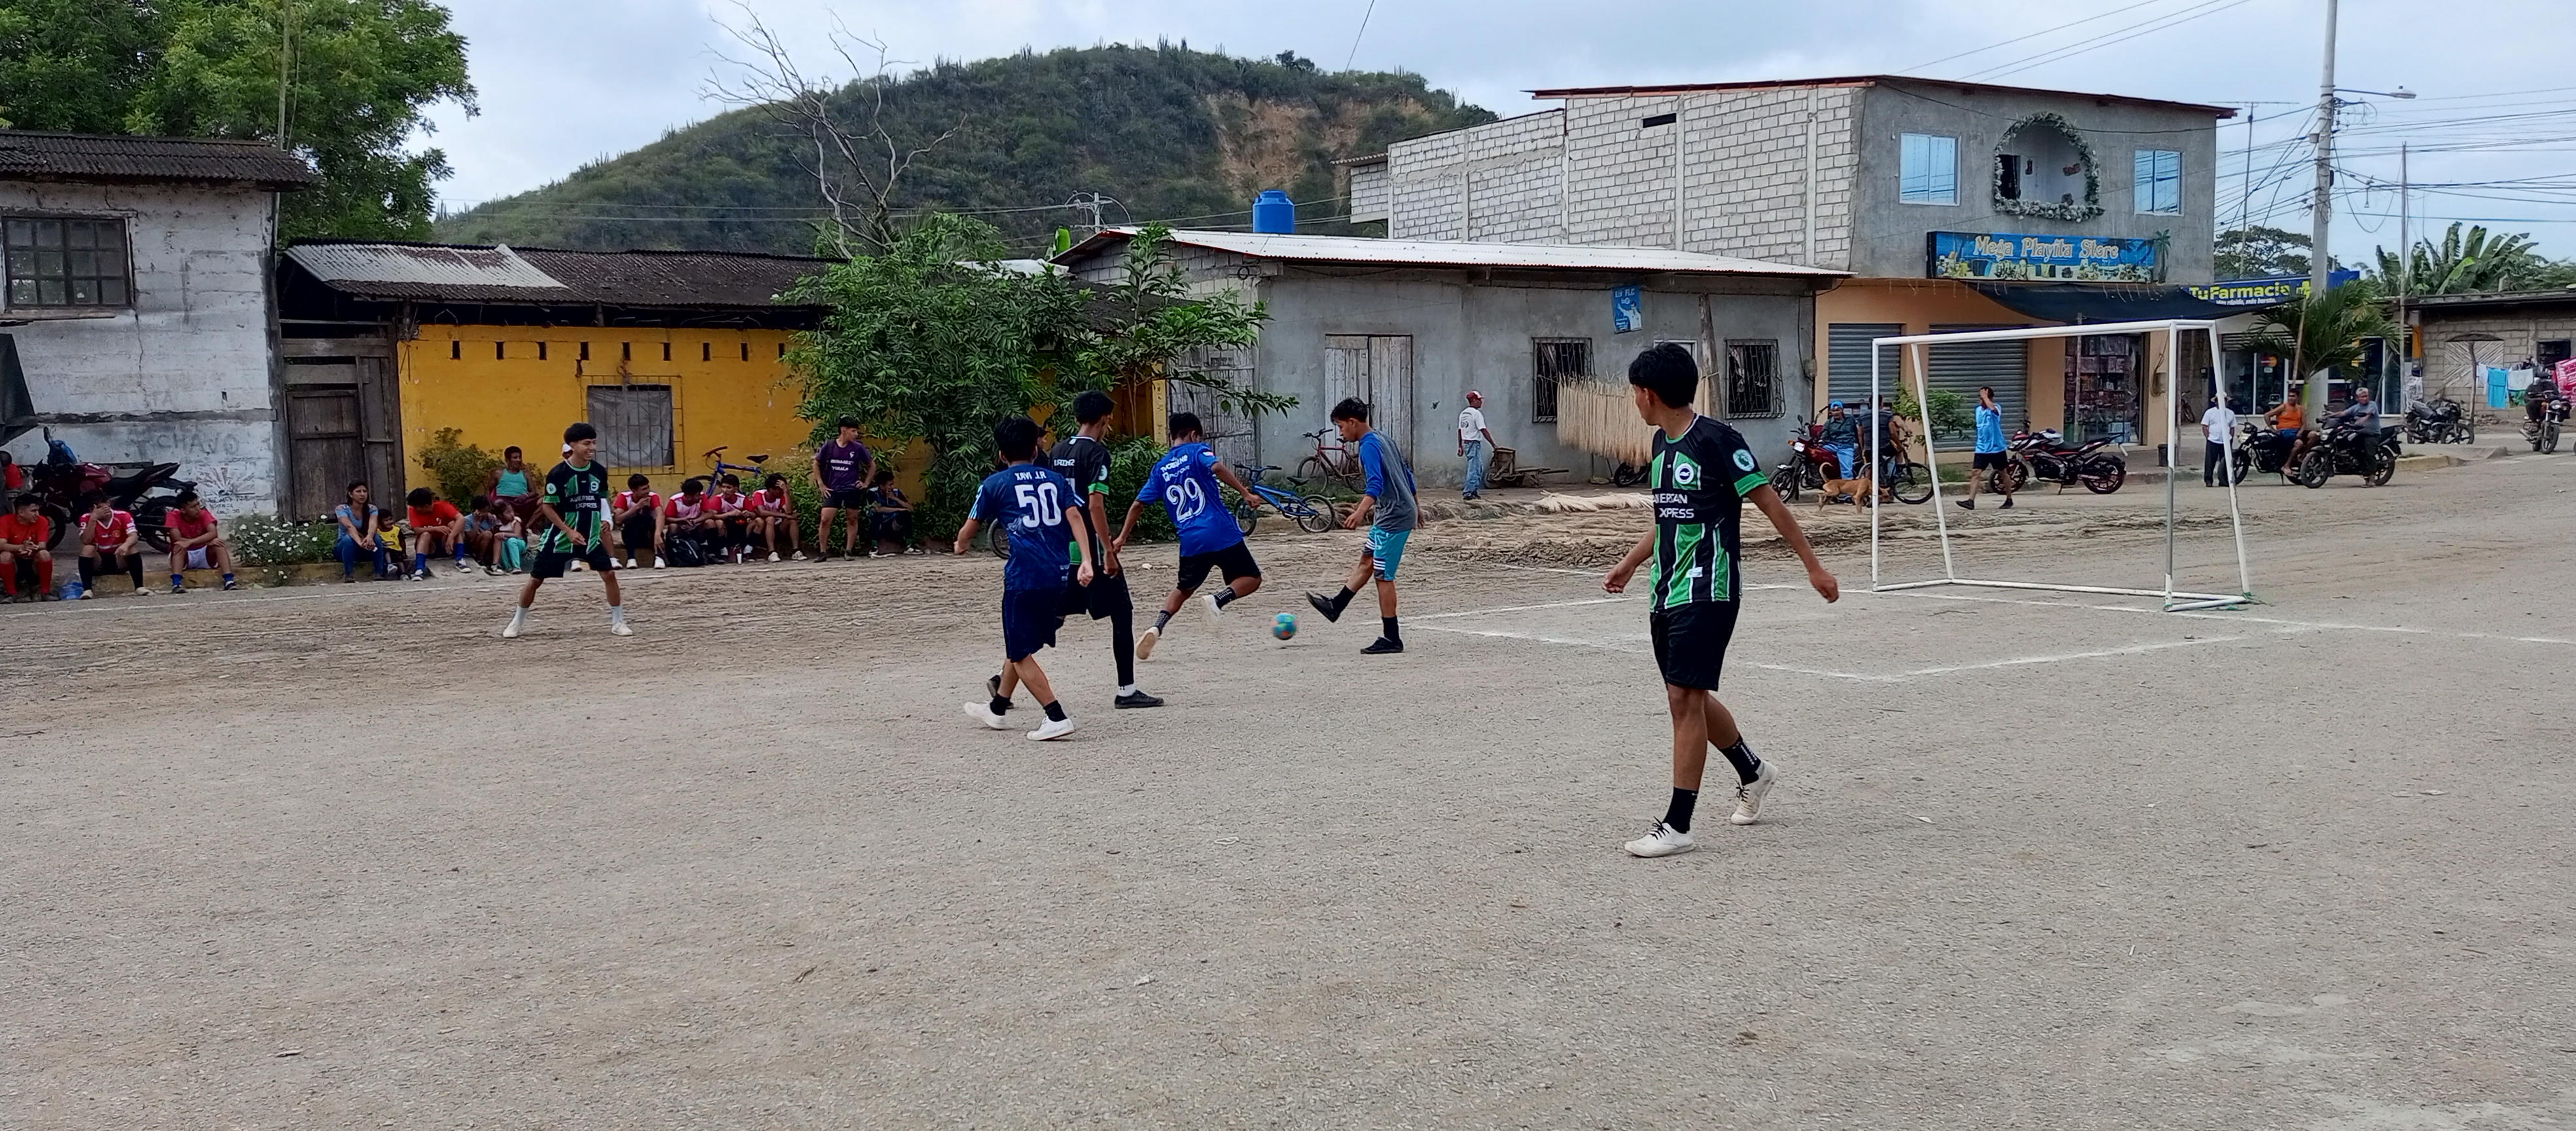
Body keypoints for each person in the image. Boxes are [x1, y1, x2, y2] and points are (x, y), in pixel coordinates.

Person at [1604, 342, 1839, 859]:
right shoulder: (1661, 445)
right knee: (1687, 695)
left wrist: (1814, 566)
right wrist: (1630, 562)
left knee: (1684, 699)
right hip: (1666, 588)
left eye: (1634, 393)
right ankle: (1754, 772)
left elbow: (1770, 503)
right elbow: (1669, 517)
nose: (1634, 401)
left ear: (1648, 393)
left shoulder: (1717, 439)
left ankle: (1677, 824)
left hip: (1709, 587)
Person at [954, 415, 1093, 742]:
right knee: (1020, 642)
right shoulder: (1056, 480)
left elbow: (970, 528)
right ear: (1035, 450)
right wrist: (1086, 560)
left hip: (1024, 577)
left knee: (1019, 652)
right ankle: (998, 708)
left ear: (1001, 454)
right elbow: (1076, 516)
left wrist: (960, 544)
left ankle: (1056, 716)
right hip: (1059, 574)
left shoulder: (994, 484)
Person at [1117, 411, 1268, 660]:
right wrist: (1245, 493)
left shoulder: (1161, 468)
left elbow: (1138, 504)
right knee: (1252, 578)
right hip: (1221, 532)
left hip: (1190, 540)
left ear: (1171, 436)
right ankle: (1218, 599)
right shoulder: (1198, 451)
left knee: (1182, 589)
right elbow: (1216, 467)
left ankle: (1157, 627)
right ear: (1194, 434)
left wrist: (1122, 537)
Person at [1044, 391, 1159, 708]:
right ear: (1104, 420)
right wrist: (1108, 551)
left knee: (1053, 616)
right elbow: (1095, 505)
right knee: (1122, 613)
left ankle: (1005, 679)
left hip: (1064, 547)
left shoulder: (1058, 450)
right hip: (1091, 550)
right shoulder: (1097, 454)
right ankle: (1126, 691)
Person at [1302, 397, 1417, 655]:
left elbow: (1375, 483)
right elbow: (1407, 473)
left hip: (1394, 516)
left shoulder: (1368, 446)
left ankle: (1392, 638)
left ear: (1353, 422)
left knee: (1383, 576)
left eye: (1341, 426)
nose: (1341, 433)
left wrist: (1359, 512)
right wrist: (1416, 505)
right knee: (1367, 561)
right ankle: (1336, 606)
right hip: (1391, 513)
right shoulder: (1383, 438)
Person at [503, 422, 629, 639]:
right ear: (572, 445)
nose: (592, 448)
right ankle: (517, 622)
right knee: (536, 579)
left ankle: (618, 622)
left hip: (590, 537)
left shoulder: (598, 471)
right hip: (561, 537)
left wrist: (606, 519)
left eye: (594, 443)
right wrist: (568, 531)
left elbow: (601, 499)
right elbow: (547, 507)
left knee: (609, 574)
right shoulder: (559, 473)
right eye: (587, 443)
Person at [813, 416, 875, 560]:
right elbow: (816, 464)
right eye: (853, 431)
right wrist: (821, 484)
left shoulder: (858, 447)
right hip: (832, 489)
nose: (856, 434)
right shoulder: (829, 446)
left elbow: (872, 465)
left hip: (851, 489)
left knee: (852, 519)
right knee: (825, 519)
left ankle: (848, 551)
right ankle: (823, 552)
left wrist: (866, 483)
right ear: (844, 430)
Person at [76, 493, 148, 597]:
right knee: (87, 549)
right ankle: (87, 590)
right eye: (94, 509)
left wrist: (125, 545)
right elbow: (86, 540)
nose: (98, 512)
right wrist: (93, 519)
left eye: (100, 507)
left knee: (131, 548)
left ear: (108, 503)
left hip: (118, 557)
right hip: (98, 561)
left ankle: (140, 587)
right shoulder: (86, 518)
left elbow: (133, 536)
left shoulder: (123, 515)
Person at [164, 490, 236, 593]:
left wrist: (192, 542)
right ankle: (176, 584)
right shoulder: (173, 516)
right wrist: (205, 542)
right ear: (183, 510)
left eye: (198, 504)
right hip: (185, 556)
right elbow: (177, 538)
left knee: (218, 544)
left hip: (204, 553)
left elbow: (213, 533)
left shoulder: (203, 514)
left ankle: (229, 581)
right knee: (179, 546)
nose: (198, 509)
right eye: (193, 507)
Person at [1958, 385, 2015, 510]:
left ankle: (2009, 499)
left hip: (1996, 448)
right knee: (1976, 472)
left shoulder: (1996, 408)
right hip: (1982, 448)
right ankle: (1970, 501)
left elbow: (1993, 409)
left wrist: (1986, 398)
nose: (1982, 400)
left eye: (1984, 398)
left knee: (2003, 473)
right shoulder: (1978, 410)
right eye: (1981, 398)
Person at [0, 494, 55, 601]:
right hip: (15, 562)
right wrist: (21, 547)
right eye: (33, 511)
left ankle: (45, 592)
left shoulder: (42, 521)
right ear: (21, 512)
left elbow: (43, 545)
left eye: (38, 511)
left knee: (44, 554)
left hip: (33, 562)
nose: (37, 514)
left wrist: (32, 547)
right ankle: (11, 593)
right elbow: (1, 545)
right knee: (5, 555)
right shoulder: (5, 521)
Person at [404, 487, 465, 579]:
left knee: (453, 524)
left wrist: (451, 537)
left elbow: (461, 519)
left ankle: (460, 559)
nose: (415, 509)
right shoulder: (412, 510)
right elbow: (417, 530)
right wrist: (435, 529)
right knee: (425, 534)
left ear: (426, 506)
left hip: (447, 544)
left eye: (417, 507)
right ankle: (420, 568)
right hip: (430, 547)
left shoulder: (442, 506)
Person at [331, 482, 380, 583]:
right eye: (358, 492)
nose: (362, 494)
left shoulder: (372, 509)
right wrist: (360, 543)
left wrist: (370, 537)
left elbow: (373, 525)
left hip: (366, 547)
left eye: (365, 491)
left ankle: (379, 573)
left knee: (377, 538)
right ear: (351, 494)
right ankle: (349, 575)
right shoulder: (342, 509)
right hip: (345, 549)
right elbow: (349, 527)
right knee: (348, 539)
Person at [612, 475, 664, 569]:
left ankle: (659, 557)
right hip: (633, 535)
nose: (647, 491)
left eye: (648, 487)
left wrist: (658, 535)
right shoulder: (625, 497)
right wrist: (636, 507)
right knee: (630, 521)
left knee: (654, 524)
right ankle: (631, 558)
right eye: (644, 489)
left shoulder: (653, 497)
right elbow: (618, 520)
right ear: (634, 491)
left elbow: (660, 515)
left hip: (648, 534)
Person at [750, 472, 802, 562]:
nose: (782, 491)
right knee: (770, 519)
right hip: (764, 528)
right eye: (780, 489)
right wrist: (784, 515)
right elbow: (762, 512)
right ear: (771, 490)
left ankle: (796, 550)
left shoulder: (782, 496)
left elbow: (789, 511)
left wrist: (786, 492)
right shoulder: (759, 495)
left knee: (792, 520)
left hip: (779, 528)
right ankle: (772, 552)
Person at [867, 469, 919, 556]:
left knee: (906, 514)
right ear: (882, 486)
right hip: (878, 526)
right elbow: (878, 509)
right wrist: (899, 509)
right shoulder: (873, 493)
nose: (892, 487)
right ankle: (874, 546)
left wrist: (896, 499)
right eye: (890, 485)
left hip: (892, 525)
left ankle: (909, 546)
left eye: (893, 484)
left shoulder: (896, 492)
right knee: (877, 515)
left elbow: (911, 509)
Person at [662, 478, 713, 563]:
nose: (700, 497)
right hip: (681, 527)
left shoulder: (702, 497)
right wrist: (682, 520)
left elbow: (710, 513)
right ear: (689, 497)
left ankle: (711, 553)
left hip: (696, 526)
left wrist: (695, 521)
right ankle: (674, 555)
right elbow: (667, 518)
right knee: (673, 527)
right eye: (697, 495)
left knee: (710, 523)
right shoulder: (675, 500)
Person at [707, 473, 756, 564]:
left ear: (736, 488)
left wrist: (749, 514)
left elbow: (754, 515)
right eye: (723, 487)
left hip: (741, 525)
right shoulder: (718, 499)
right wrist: (729, 514)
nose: (725, 491)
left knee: (758, 522)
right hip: (725, 526)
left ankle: (748, 550)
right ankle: (723, 551)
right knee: (718, 522)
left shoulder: (742, 499)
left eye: (728, 488)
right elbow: (712, 516)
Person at [1458, 390, 1496, 499]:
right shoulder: (1476, 414)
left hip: (1466, 443)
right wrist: (1493, 444)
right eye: (1479, 400)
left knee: (1479, 468)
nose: (1481, 402)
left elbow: (1460, 431)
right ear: (1474, 400)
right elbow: (1483, 430)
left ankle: (1474, 491)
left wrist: (1460, 446)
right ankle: (1468, 493)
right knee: (1474, 469)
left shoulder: (1463, 414)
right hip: (1473, 444)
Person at [486, 446, 538, 515]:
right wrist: (490, 504)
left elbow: (534, 492)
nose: (519, 460)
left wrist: (525, 495)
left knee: (544, 502)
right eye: (515, 458)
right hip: (504, 502)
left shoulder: (525, 474)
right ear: (507, 460)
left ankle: (530, 522)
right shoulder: (499, 473)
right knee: (500, 504)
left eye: (520, 457)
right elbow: (488, 490)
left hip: (522, 503)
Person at [2200, 397, 2238, 487]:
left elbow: (2232, 427)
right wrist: (2208, 437)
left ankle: (2224, 480)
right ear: (2216, 402)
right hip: (2213, 440)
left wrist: (2231, 438)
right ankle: (2209, 480)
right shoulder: (2210, 412)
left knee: (2226, 462)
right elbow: (2205, 426)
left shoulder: (2230, 413)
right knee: (2210, 461)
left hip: (2226, 441)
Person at [461, 496, 503, 575]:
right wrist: (477, 523)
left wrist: (493, 521)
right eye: (484, 512)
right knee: (487, 534)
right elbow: (471, 539)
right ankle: (480, 560)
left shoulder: (490, 519)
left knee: (497, 536)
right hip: (475, 545)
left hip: (489, 545)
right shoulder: (468, 520)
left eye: (488, 511)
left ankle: (495, 564)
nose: (486, 514)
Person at [1818, 401, 1860, 478]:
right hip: (1833, 445)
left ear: (1842, 410)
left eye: (1838, 410)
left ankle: (1847, 484)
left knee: (1846, 470)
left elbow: (1856, 432)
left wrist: (1860, 445)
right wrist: (1820, 442)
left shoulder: (1850, 419)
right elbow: (1824, 435)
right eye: (1834, 411)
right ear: (1831, 412)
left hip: (1846, 446)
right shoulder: (1828, 423)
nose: (1836, 413)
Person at [495, 502, 528, 574]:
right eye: (508, 513)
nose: (512, 514)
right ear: (500, 515)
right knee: (501, 543)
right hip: (506, 544)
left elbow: (517, 535)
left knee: (511, 541)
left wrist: (504, 534)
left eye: (512, 511)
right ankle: (508, 567)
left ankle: (516, 567)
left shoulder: (516, 521)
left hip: (519, 543)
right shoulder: (498, 523)